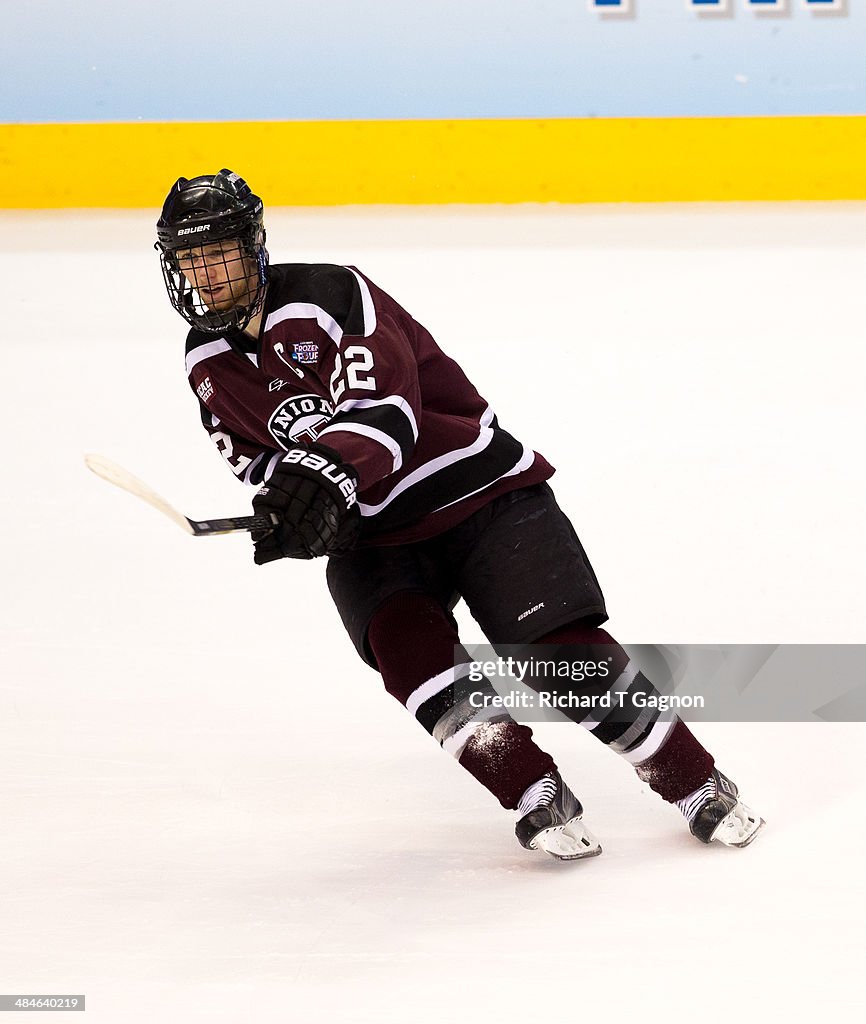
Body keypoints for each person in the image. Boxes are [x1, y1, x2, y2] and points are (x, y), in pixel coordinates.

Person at [155, 168, 765, 860]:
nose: (205, 273)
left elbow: (387, 410)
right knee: (411, 659)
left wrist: (321, 476)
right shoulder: (203, 358)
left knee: (553, 651)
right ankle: (536, 790)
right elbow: (254, 454)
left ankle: (694, 782)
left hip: (479, 494)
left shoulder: (331, 293)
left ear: (254, 246)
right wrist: (283, 510)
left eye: (219, 253)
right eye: (190, 258)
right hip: (375, 533)